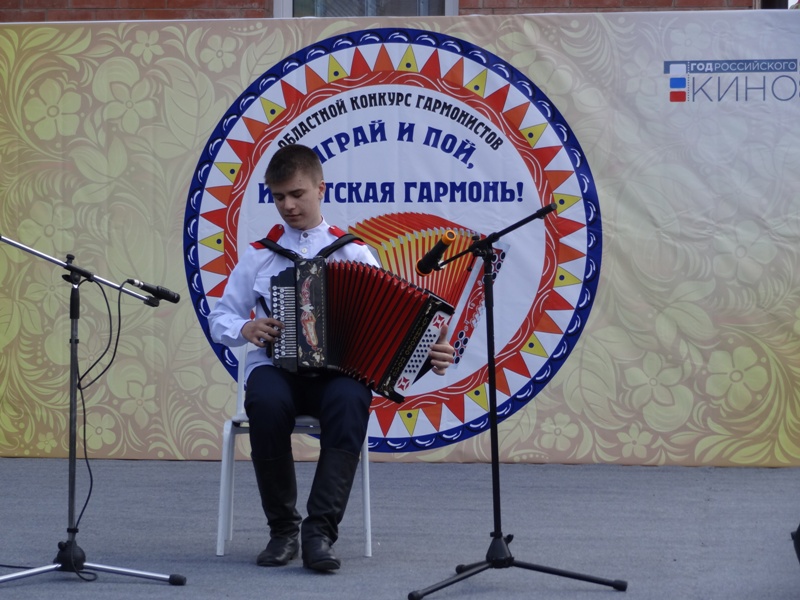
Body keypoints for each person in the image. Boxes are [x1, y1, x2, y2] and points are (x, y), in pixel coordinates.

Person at [208, 144, 455, 572]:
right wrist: (244, 329)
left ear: (320, 189)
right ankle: (283, 530)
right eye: (279, 196)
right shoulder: (260, 254)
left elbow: (392, 325)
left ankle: (320, 533)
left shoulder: (354, 252)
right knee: (264, 401)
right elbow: (221, 317)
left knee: (351, 400)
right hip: (276, 369)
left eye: (297, 194)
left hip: (338, 373)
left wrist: (429, 352)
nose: (288, 205)